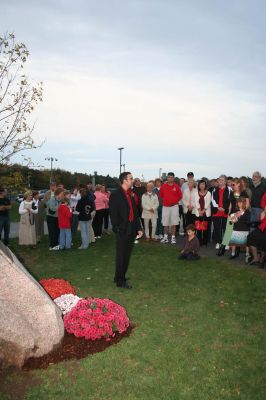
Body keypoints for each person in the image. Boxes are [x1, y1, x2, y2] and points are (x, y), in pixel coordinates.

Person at [109, 171, 143, 289]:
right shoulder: (116, 194)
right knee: (121, 255)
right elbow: (113, 214)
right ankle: (120, 280)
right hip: (122, 230)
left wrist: (139, 228)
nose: (132, 180)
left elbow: (135, 213)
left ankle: (120, 275)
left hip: (131, 229)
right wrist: (117, 228)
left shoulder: (130, 194)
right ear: (124, 180)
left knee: (126, 255)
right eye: (130, 178)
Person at [159, 172, 182, 244]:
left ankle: (173, 238)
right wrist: (167, 201)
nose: (170, 178)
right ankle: (165, 237)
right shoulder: (163, 186)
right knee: (165, 223)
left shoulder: (177, 186)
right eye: (169, 177)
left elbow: (180, 196)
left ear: (174, 178)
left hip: (174, 207)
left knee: (174, 223)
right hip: (165, 207)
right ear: (167, 178)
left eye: (172, 177)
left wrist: (174, 201)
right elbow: (161, 195)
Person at [211, 175, 232, 250]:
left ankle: (226, 243)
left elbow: (229, 200)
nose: (220, 181)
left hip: (225, 211)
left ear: (225, 181)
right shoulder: (214, 189)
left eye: (222, 180)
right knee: (217, 228)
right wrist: (218, 207)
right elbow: (213, 200)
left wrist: (224, 207)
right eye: (219, 180)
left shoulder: (229, 189)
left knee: (226, 228)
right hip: (217, 211)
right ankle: (218, 242)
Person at [246, 191, 266, 268]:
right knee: (250, 237)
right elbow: (261, 218)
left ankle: (262, 260)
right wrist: (264, 211)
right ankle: (256, 258)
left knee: (264, 240)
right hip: (263, 226)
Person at [195, 179, 212, 245]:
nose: (202, 185)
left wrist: (203, 210)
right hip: (198, 213)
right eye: (201, 184)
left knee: (205, 228)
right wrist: (199, 210)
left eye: (203, 184)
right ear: (199, 185)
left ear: (205, 185)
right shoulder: (196, 193)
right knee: (198, 228)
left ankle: (205, 241)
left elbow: (208, 202)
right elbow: (196, 202)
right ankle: (199, 241)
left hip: (206, 213)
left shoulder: (209, 193)